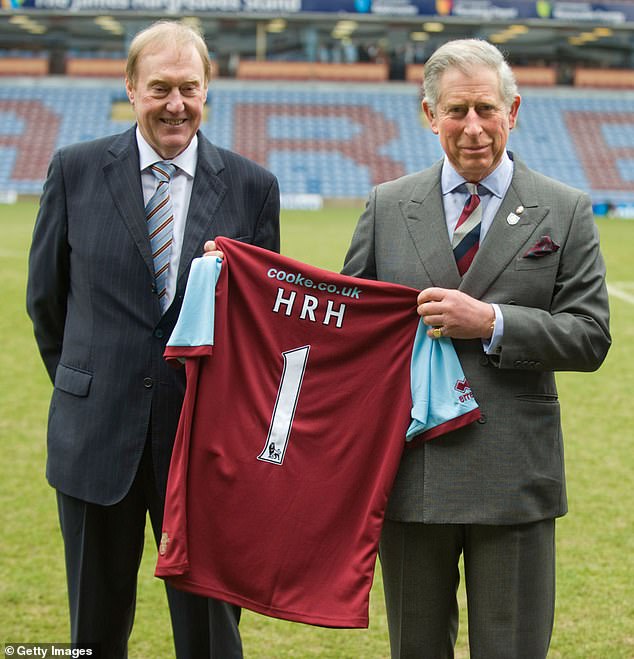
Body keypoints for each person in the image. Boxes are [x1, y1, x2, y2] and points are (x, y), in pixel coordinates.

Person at [342, 38, 611, 658]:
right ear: (429, 114)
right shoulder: (386, 206)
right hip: (412, 474)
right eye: (456, 111)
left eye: (486, 109)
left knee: (512, 649)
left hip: (514, 475)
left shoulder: (565, 210)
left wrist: (491, 321)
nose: (473, 128)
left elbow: (590, 335)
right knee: (416, 649)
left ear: (513, 111)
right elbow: (351, 330)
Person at [26, 20, 279, 659]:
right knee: (93, 631)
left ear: (207, 89)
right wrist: (90, 383)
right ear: (132, 88)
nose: (175, 105)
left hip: (203, 448)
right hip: (95, 436)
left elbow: (258, 326)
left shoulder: (252, 187)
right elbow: (46, 303)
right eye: (160, 88)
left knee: (211, 636)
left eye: (188, 88)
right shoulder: (74, 170)